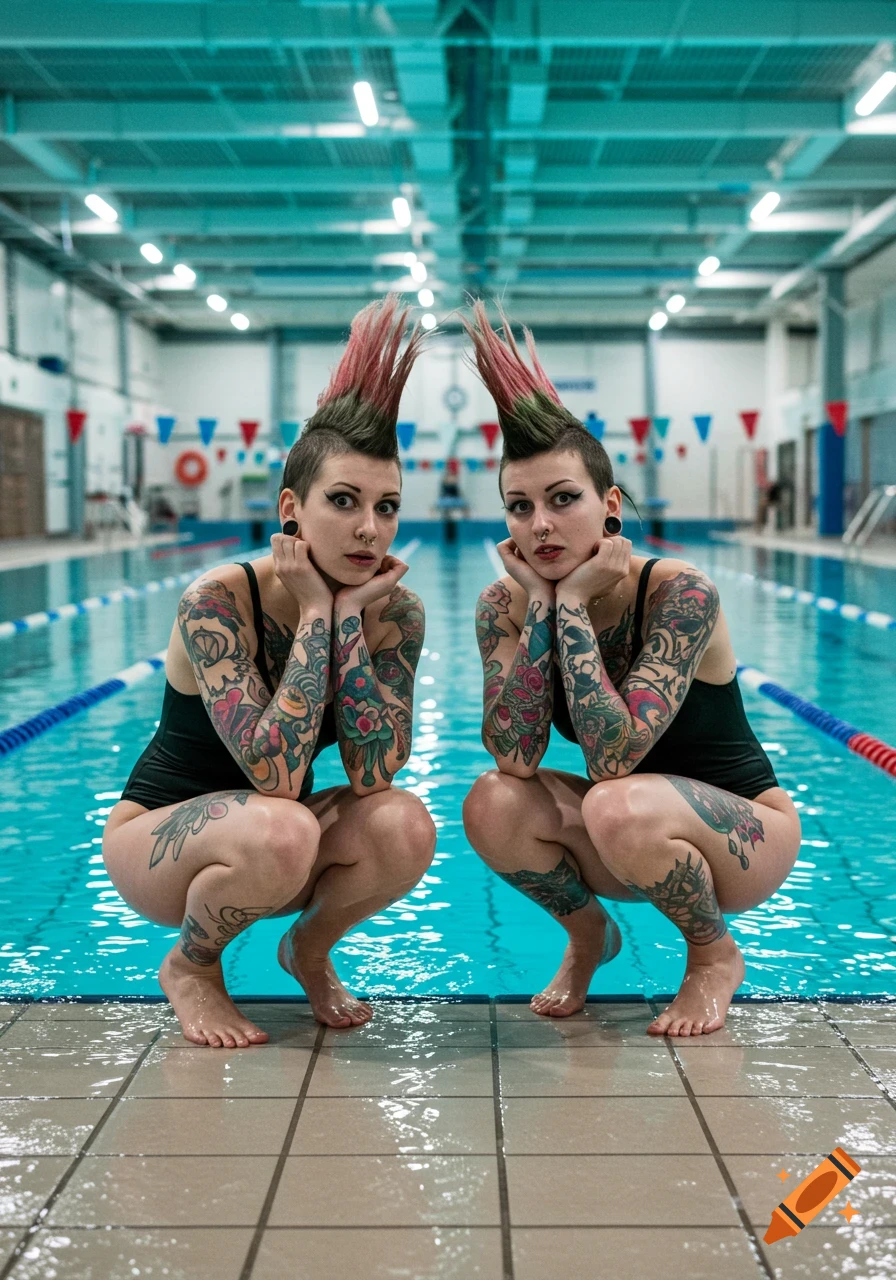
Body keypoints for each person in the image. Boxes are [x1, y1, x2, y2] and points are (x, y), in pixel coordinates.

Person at [461, 302, 801, 1037]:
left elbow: (616, 756)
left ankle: (712, 955)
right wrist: (544, 609)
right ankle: (589, 937)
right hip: (631, 833)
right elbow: (515, 758)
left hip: (742, 837)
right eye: (519, 508)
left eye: (562, 500)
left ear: (609, 505)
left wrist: (573, 604)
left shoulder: (678, 591)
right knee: (491, 800)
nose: (540, 525)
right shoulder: (504, 606)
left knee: (617, 799)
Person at [103, 297, 436, 1048]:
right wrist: (320, 612)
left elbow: (374, 770)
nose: (368, 528)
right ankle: (191, 966)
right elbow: (277, 777)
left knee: (406, 824)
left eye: (386, 507)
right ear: (292, 508)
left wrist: (348, 619)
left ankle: (308, 952)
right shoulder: (218, 601)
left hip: (273, 835)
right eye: (344, 501)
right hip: (161, 840)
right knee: (283, 824)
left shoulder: (396, 613)